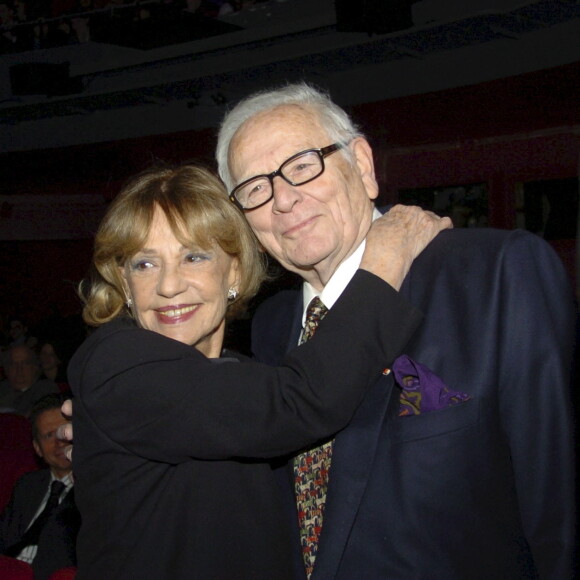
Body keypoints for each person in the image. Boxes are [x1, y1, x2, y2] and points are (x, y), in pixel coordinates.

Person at [214, 83, 576, 579]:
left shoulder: (493, 275)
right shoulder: (272, 328)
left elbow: (561, 506)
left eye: (302, 165)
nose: (283, 198)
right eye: (255, 187)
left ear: (362, 166)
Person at [67, 162, 448, 579]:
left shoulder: (247, 369)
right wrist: (383, 262)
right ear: (123, 282)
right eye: (144, 264)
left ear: (233, 270)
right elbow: (299, 402)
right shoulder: (116, 360)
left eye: (193, 256)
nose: (169, 285)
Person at [0, 393, 79, 580]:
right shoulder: (28, 485)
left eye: (63, 430)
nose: (59, 442)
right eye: (49, 435)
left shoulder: (95, 489)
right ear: (37, 448)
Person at [0, 345, 59, 416]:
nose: (19, 370)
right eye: (14, 364)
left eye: (25, 363)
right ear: (7, 370)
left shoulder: (46, 389)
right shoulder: (2, 388)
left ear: (35, 367)